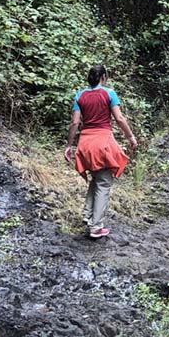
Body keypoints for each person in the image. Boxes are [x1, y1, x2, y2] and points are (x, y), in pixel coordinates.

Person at [64, 65, 138, 239]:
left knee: (96, 178)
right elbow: (119, 118)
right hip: (102, 142)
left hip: (85, 143)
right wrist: (131, 137)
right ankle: (96, 227)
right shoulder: (109, 93)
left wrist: (69, 145)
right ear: (104, 77)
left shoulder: (80, 95)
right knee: (104, 183)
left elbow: (75, 123)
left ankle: (87, 215)